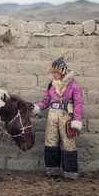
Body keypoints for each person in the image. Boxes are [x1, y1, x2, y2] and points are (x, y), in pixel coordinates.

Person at [32, 50, 83, 181]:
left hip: (66, 115)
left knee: (68, 142)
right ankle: (52, 171)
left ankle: (70, 173)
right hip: (52, 114)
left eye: (55, 73)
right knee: (50, 141)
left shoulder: (73, 85)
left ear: (62, 72)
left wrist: (76, 120)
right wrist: (37, 107)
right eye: (52, 73)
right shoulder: (51, 85)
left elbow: (78, 103)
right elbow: (46, 101)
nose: (53, 75)